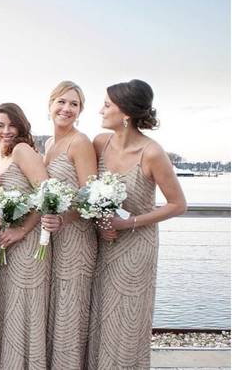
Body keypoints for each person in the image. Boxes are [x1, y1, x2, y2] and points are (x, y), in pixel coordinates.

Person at [86, 80, 186, 369]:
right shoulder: (99, 143)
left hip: (135, 251)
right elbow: (88, 190)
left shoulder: (152, 152)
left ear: (125, 112)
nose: (100, 110)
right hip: (102, 245)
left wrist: (129, 222)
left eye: (106, 105)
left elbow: (178, 204)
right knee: (100, 319)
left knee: (128, 322)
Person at [42, 81, 97, 369]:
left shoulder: (81, 142)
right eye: (61, 102)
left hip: (76, 237)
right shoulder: (49, 144)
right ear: (50, 104)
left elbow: (90, 198)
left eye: (74, 104)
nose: (66, 109)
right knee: (54, 309)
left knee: (70, 311)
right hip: (52, 237)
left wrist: (64, 218)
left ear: (80, 111)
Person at [0, 103, 49, 370]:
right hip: (4, 245)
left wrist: (21, 230)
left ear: (21, 125)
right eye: (0, 125)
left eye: (12, 125)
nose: (6, 131)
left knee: (24, 310)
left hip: (26, 245)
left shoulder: (22, 151)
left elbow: (46, 196)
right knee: (8, 311)